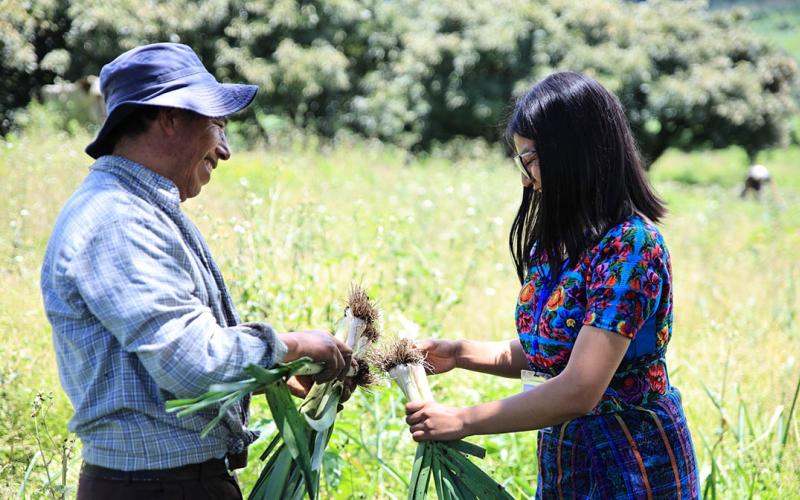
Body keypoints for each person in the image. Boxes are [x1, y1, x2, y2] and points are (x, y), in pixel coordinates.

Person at [40, 43, 352, 500]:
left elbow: (157, 379)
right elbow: (191, 364)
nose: (225, 150)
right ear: (169, 116)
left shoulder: (140, 209)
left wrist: (270, 374)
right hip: (156, 489)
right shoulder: (118, 220)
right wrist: (295, 344)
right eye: (218, 125)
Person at [404, 72, 700, 498]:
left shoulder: (632, 248)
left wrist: (462, 420)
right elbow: (552, 352)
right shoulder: (560, 244)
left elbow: (579, 387)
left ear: (575, 154)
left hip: (634, 464)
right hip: (567, 459)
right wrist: (459, 352)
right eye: (519, 161)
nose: (526, 178)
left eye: (532, 159)